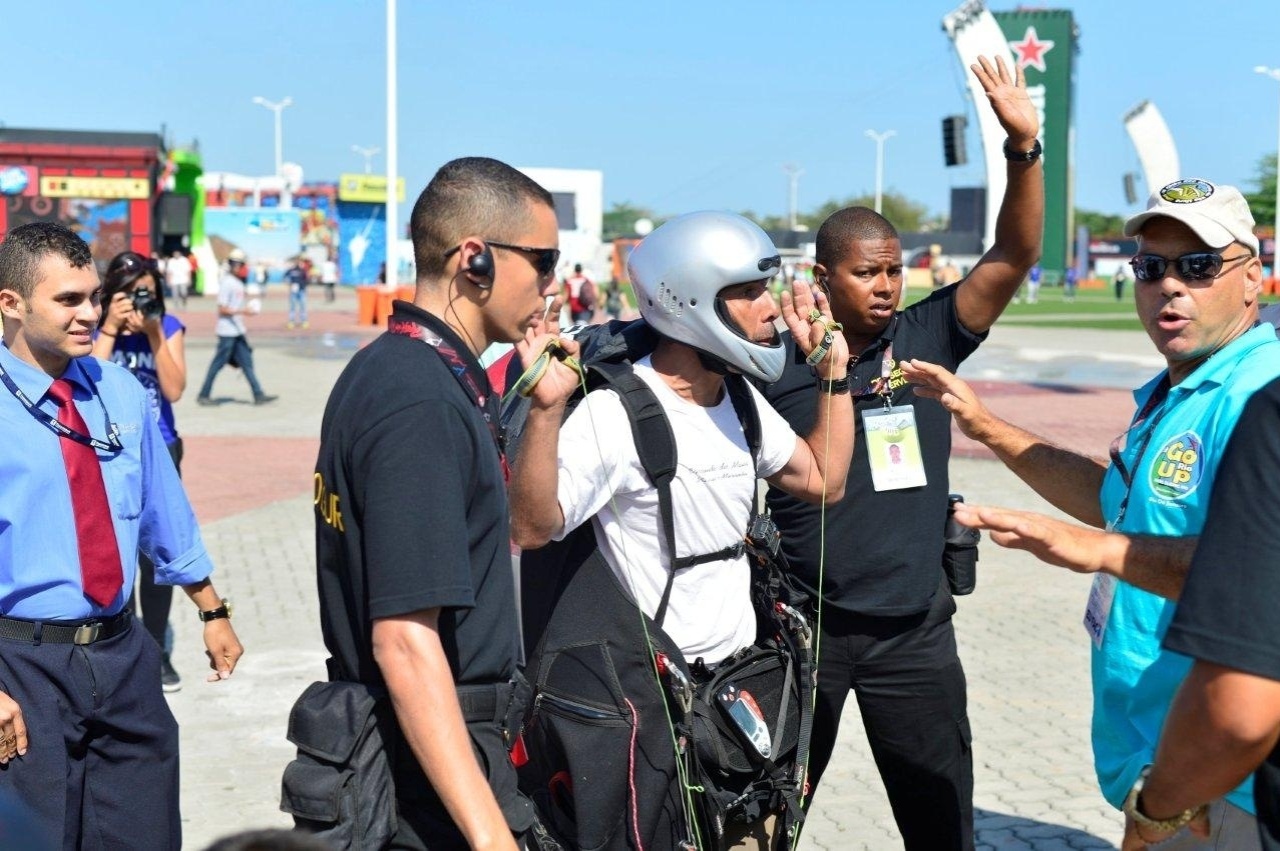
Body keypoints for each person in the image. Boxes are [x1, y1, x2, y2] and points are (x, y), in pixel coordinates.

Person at [909, 177, 1280, 849]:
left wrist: (1096, 549)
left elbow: (1253, 576)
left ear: (1253, 278)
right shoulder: (1184, 385)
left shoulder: (1257, 394)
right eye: (1151, 266)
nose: (1170, 285)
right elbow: (1118, 500)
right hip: (1163, 754)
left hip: (1222, 780)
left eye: (1197, 266)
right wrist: (987, 426)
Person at [760, 54, 1044, 850]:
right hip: (803, 633)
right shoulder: (776, 360)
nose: (886, 286)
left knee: (940, 827)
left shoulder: (927, 338)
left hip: (913, 635)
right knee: (764, 823)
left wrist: (1023, 150)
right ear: (823, 276)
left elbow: (1013, 254)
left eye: (894, 270)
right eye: (866, 273)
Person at [509, 210, 853, 847]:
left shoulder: (741, 401)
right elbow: (532, 527)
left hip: (740, 701)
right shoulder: (617, 415)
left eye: (765, 289)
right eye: (747, 293)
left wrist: (834, 379)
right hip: (656, 717)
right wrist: (546, 412)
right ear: (688, 301)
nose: (770, 309)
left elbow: (824, 481)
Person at [311, 156, 561, 849]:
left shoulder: (397, 368)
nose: (552, 284)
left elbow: (520, 529)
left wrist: (544, 413)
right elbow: (404, 639)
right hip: (428, 768)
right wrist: (490, 835)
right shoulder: (418, 399)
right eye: (543, 261)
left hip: (429, 746)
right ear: (474, 259)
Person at [0, 221, 243, 847]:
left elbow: (165, 509)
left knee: (145, 832)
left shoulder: (121, 392)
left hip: (122, 654)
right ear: (11, 304)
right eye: (69, 300)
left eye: (93, 296)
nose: (91, 313)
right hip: (21, 667)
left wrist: (211, 609)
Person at [1116, 380, 1280, 851]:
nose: (1170, 298)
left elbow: (1237, 715)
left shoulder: (1264, 403)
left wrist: (1156, 813)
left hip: (1229, 791)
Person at [91, 251, 189, 692]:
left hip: (162, 448)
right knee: (118, 551)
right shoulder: (92, 328)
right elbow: (85, 381)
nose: (137, 301)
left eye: (145, 293)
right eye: (128, 293)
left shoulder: (167, 327)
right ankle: (125, 646)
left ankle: (157, 648)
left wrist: (153, 334)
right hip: (108, 449)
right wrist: (110, 327)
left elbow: (174, 389)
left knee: (156, 554)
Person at [196, 248, 277, 406]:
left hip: (237, 330)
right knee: (217, 364)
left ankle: (258, 394)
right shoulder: (227, 283)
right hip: (227, 332)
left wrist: (244, 311)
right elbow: (222, 308)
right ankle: (203, 395)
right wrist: (244, 311)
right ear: (233, 265)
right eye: (239, 264)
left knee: (247, 363)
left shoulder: (237, 283)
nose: (241, 268)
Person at [284, 258, 308, 329]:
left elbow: (306, 279)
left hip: (301, 290)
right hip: (293, 291)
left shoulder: (303, 271)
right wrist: (289, 283)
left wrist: (303, 285)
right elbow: (285, 277)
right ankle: (291, 321)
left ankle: (304, 321)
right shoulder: (291, 270)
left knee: (303, 306)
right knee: (292, 307)